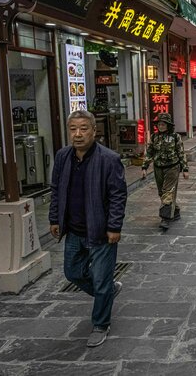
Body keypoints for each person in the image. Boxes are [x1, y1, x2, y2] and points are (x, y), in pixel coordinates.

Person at [49, 110, 127, 347]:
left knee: (101, 280)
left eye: (83, 128)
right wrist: (55, 219)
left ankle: (101, 324)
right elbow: (56, 190)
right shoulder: (63, 156)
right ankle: (107, 292)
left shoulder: (109, 159)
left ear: (94, 131)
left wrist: (114, 226)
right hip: (73, 229)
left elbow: (118, 195)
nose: (78, 134)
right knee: (73, 272)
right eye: (73, 129)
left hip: (100, 231)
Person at [141, 113, 189, 230]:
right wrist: (144, 167)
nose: (161, 126)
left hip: (172, 167)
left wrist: (185, 169)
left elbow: (181, 152)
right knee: (162, 193)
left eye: (163, 124)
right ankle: (175, 210)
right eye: (159, 124)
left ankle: (165, 218)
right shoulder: (154, 137)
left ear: (168, 125)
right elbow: (150, 153)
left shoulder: (175, 137)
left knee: (168, 192)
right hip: (158, 168)